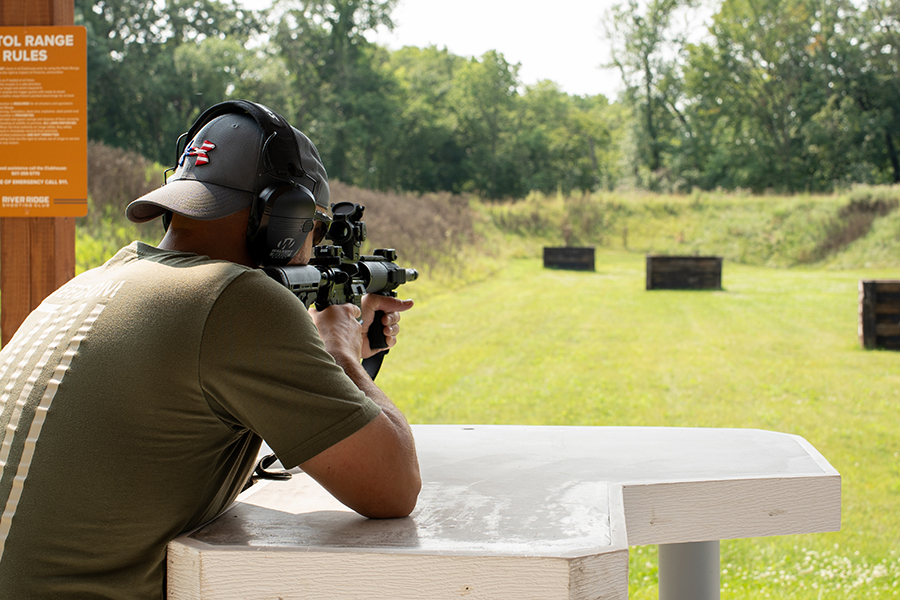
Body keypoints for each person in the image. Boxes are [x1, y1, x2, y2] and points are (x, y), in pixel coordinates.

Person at [0, 100, 421, 599]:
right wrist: (340, 349)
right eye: (316, 227)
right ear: (285, 219)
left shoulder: (87, 285)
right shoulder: (237, 299)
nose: (314, 246)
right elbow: (394, 487)